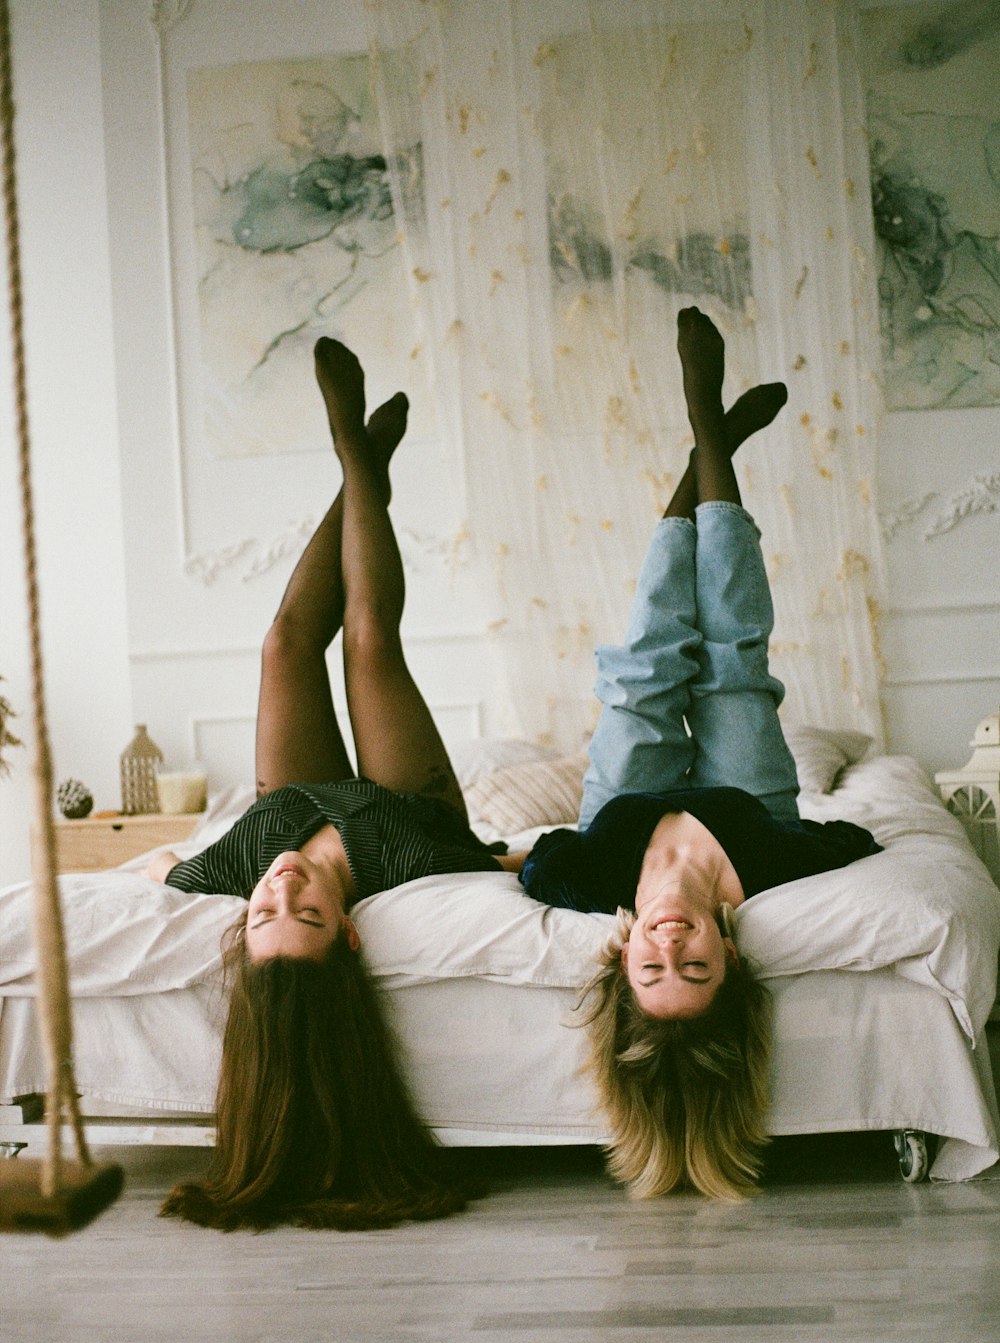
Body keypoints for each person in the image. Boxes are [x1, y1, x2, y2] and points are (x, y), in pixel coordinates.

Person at [148, 337, 519, 1232]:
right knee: (367, 642)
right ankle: (357, 456)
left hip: (294, 796)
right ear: (350, 933)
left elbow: (166, 872)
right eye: (305, 914)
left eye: (264, 915)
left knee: (282, 643)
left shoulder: (237, 873)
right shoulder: (409, 863)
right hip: (404, 806)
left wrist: (142, 865)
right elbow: (500, 875)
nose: (282, 889)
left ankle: (365, 468)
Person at [520, 306, 882, 1202]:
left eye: (653, 968)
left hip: (623, 809)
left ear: (622, 954)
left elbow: (536, 859)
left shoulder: (587, 878)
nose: (672, 946)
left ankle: (702, 442)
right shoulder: (771, 866)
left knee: (648, 660)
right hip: (743, 805)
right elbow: (854, 843)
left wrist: (512, 856)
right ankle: (711, 427)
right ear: (729, 954)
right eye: (696, 968)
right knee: (730, 654)